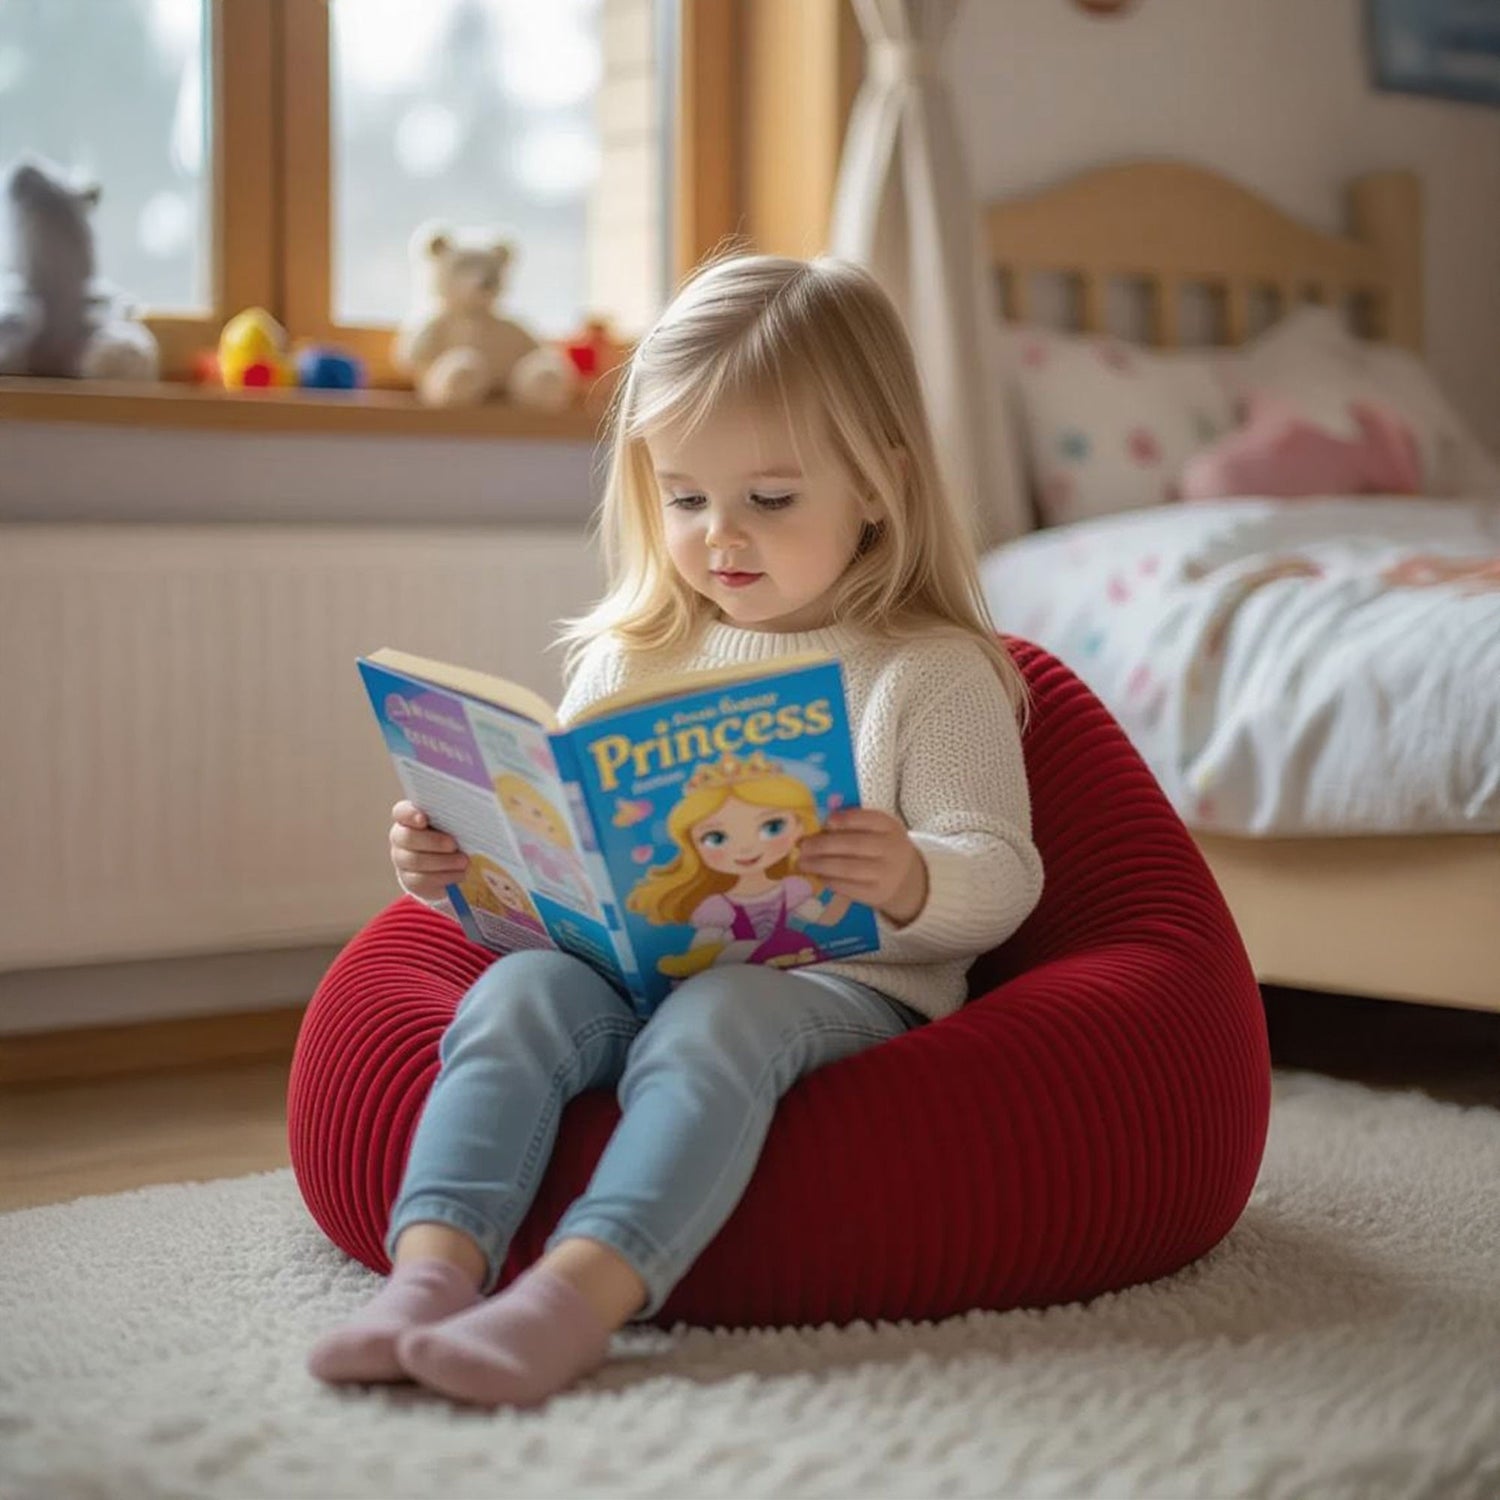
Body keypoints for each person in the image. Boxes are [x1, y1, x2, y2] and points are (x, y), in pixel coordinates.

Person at [308, 253, 1045, 1408]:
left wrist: (910, 877)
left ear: (879, 487)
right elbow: (567, 861)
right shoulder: (628, 656)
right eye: (686, 496)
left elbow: (1003, 874)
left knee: (721, 1016)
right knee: (510, 1002)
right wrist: (453, 871)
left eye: (772, 497)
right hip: (626, 969)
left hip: (839, 989)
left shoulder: (928, 672)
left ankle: (576, 1301)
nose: (719, 536)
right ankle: (431, 1274)